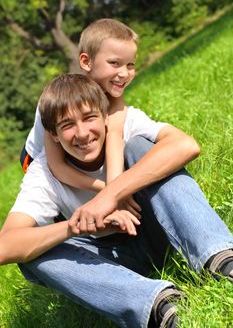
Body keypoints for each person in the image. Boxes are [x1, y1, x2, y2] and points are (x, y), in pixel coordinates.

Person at [1, 74, 233, 328]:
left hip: (160, 229)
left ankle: (220, 258)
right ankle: (158, 304)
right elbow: (5, 245)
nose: (82, 133)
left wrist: (110, 195)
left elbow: (186, 146)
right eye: (67, 125)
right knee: (33, 256)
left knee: (141, 148)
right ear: (53, 135)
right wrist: (78, 224)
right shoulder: (44, 173)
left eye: (89, 118)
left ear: (104, 116)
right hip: (109, 257)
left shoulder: (125, 125)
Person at [20, 19, 141, 218]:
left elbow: (114, 136)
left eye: (130, 65)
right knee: (64, 202)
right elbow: (58, 167)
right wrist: (107, 189)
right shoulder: (60, 101)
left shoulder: (114, 95)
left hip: (76, 142)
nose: (124, 73)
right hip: (38, 156)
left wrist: (117, 191)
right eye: (114, 63)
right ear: (86, 62)